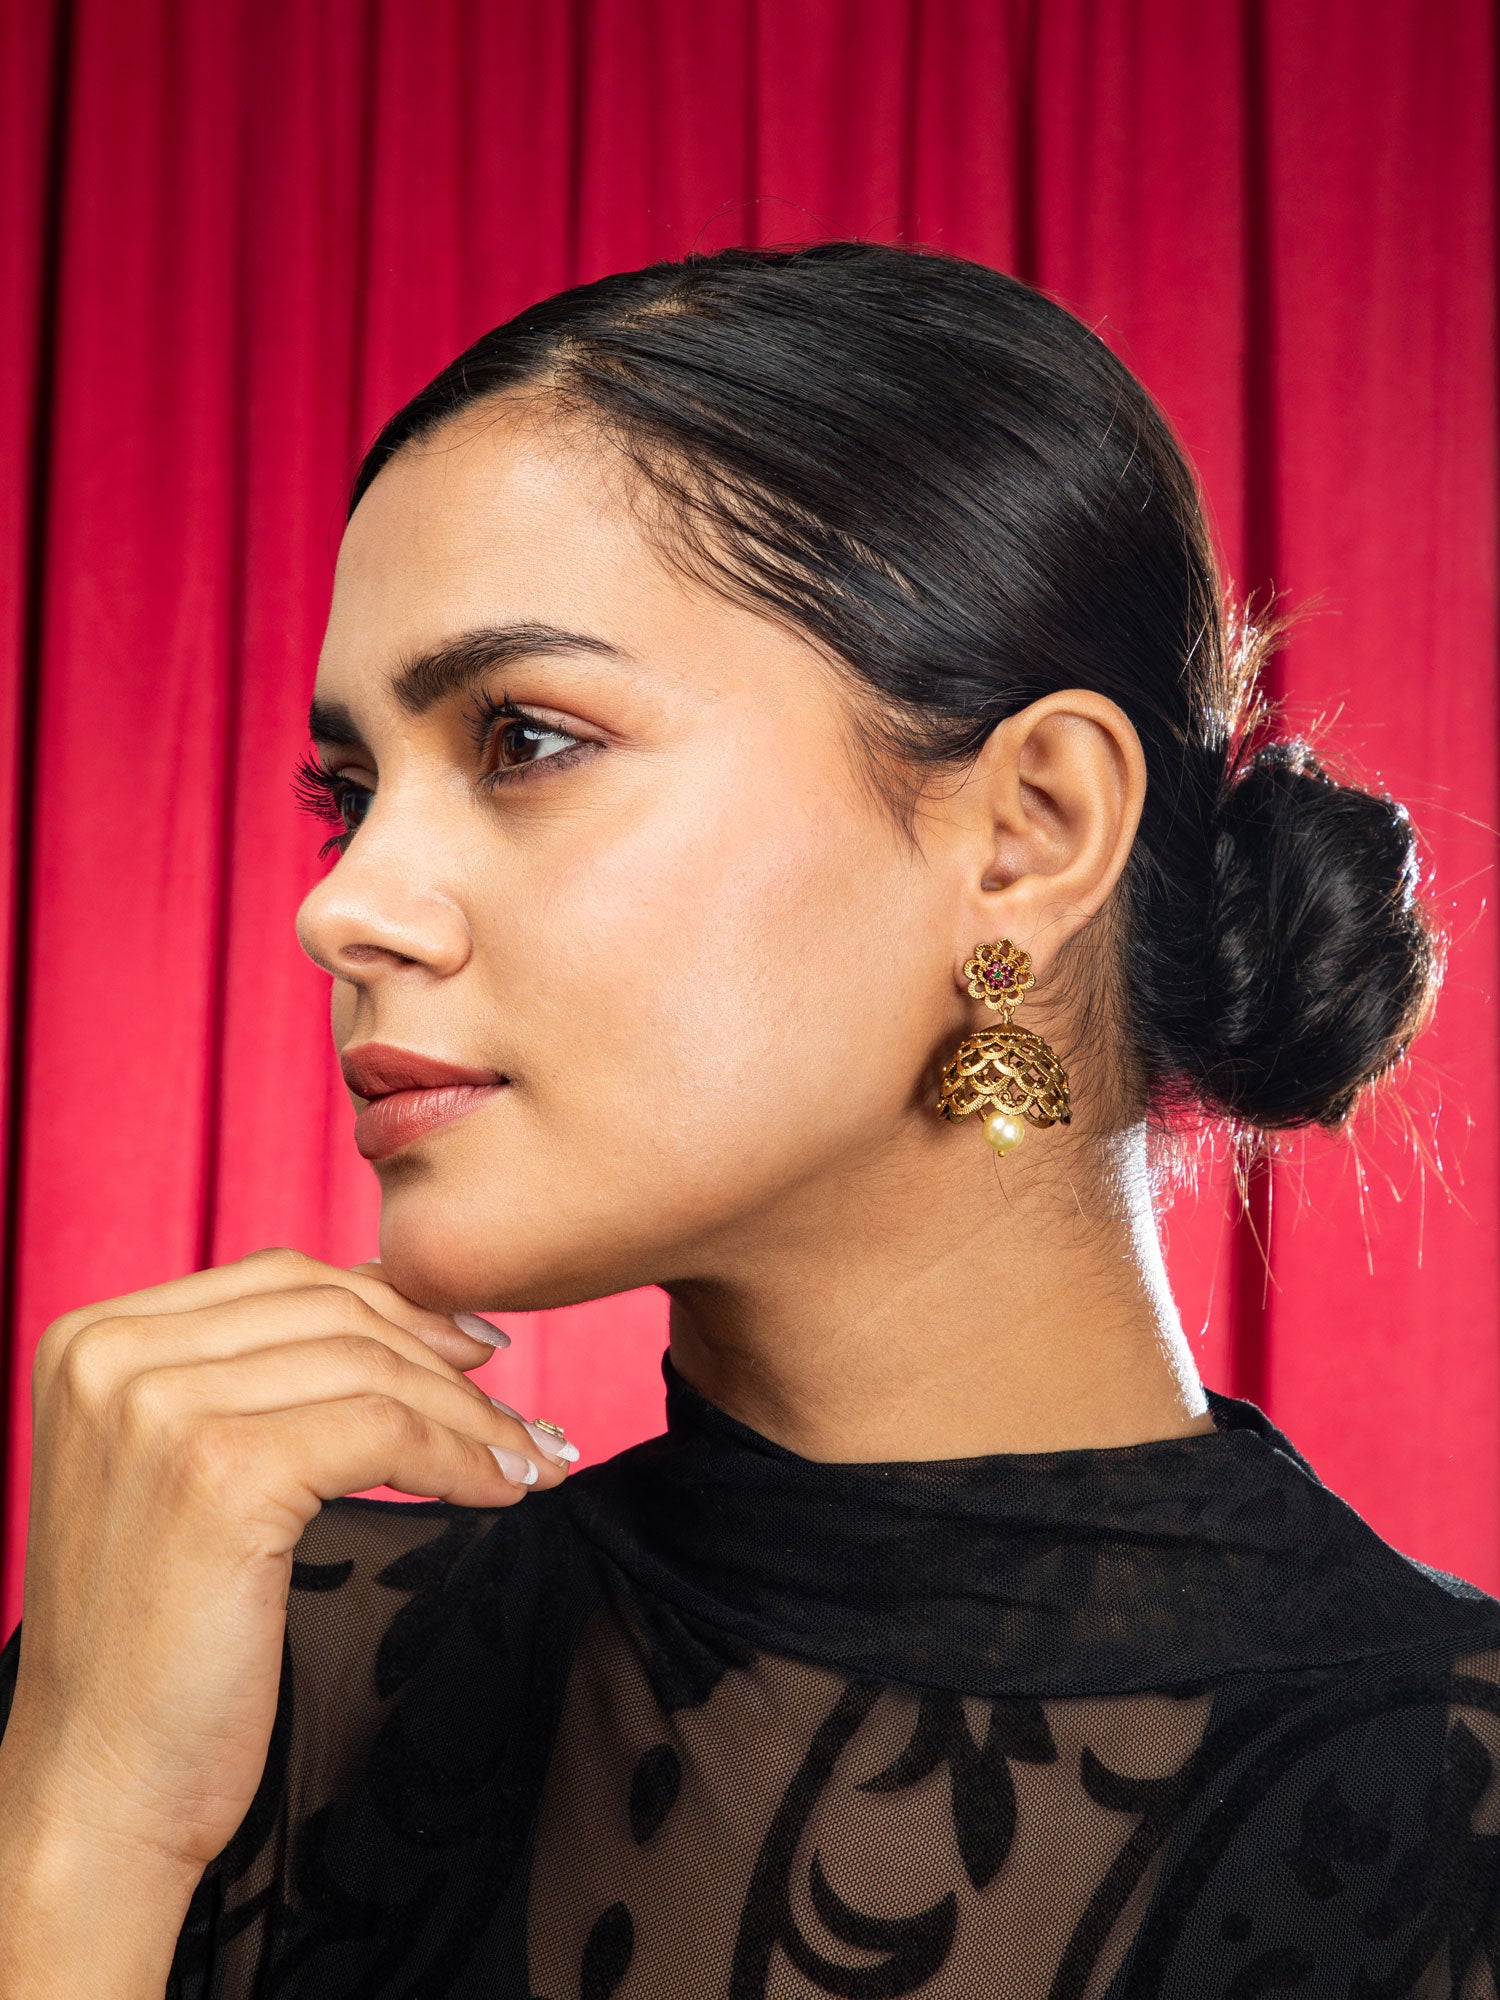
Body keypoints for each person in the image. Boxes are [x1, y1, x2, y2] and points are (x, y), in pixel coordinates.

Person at [0, 241, 1496, 2000]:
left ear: (1026, 833)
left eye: (524, 740)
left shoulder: (1453, 1823)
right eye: (350, 794)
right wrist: (84, 1828)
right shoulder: (237, 1678)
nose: (347, 908)